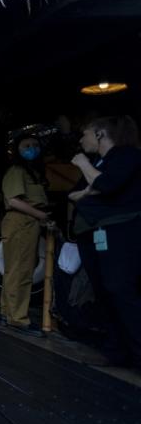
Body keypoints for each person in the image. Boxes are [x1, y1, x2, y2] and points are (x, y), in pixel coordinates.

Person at [69, 115, 141, 368]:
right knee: (105, 291)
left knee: (121, 289)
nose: (81, 140)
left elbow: (107, 184)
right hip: (95, 232)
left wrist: (84, 167)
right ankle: (116, 352)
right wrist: (92, 185)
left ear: (99, 134)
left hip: (122, 231)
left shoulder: (126, 156)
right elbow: (75, 194)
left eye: (85, 133)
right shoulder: (99, 162)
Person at [0, 135, 52, 337]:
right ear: (17, 150)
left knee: (14, 270)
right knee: (20, 271)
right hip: (21, 221)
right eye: (26, 146)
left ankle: (7, 312)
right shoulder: (16, 171)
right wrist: (42, 216)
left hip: (27, 222)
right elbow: (13, 201)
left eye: (36, 145)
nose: (32, 149)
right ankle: (18, 318)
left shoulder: (33, 173)